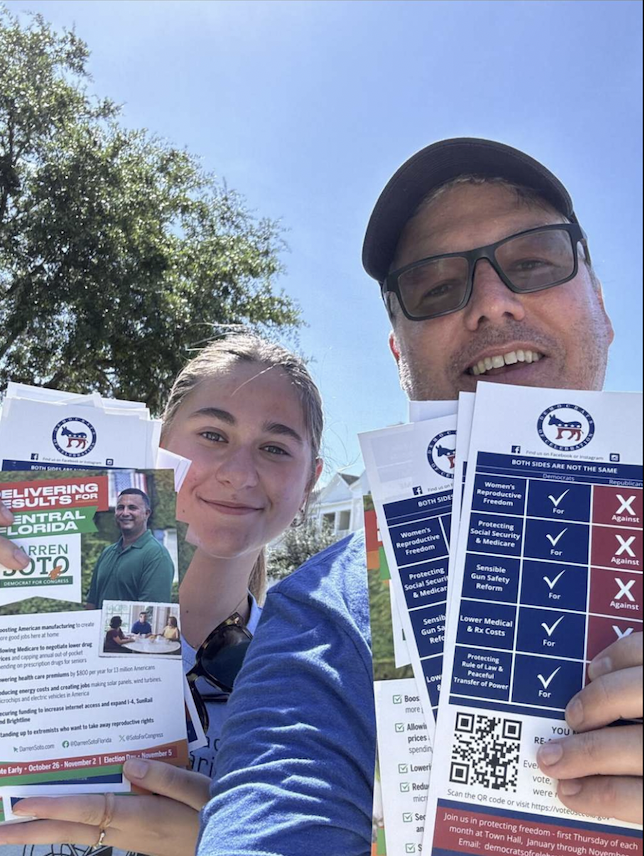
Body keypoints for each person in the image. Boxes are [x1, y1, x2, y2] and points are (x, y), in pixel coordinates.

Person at [183, 137, 639, 855]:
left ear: (601, 304)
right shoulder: (324, 620)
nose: (492, 302)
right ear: (400, 357)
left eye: (533, 260)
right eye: (435, 285)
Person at [0, 333, 324, 856]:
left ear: (311, 481)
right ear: (159, 447)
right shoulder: (36, 622)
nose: (239, 474)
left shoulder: (318, 679)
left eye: (274, 448)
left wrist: (222, 842)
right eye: (214, 435)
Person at [86, 489, 175, 609]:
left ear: (147, 513)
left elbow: (150, 612)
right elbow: (92, 603)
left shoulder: (156, 555)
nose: (125, 513)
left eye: (132, 508)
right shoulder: (107, 552)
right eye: (120, 507)